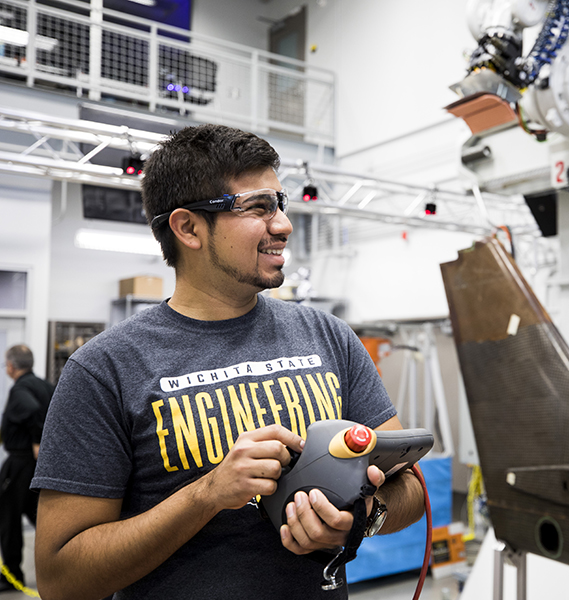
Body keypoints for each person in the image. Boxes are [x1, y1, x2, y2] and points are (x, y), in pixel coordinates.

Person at [32, 124, 425, 600]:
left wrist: (358, 521)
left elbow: (410, 486)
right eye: (258, 207)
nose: (283, 224)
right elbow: (60, 579)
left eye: (280, 203)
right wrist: (208, 493)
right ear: (188, 228)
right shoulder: (104, 369)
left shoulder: (329, 337)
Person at [1, 345, 53, 592]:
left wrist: (36, 440)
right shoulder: (44, 385)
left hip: (21, 463)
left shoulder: (20, 389)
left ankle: (12, 576)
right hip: (38, 465)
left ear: (11, 366)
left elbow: (32, 411)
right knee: (40, 517)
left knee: (8, 520)